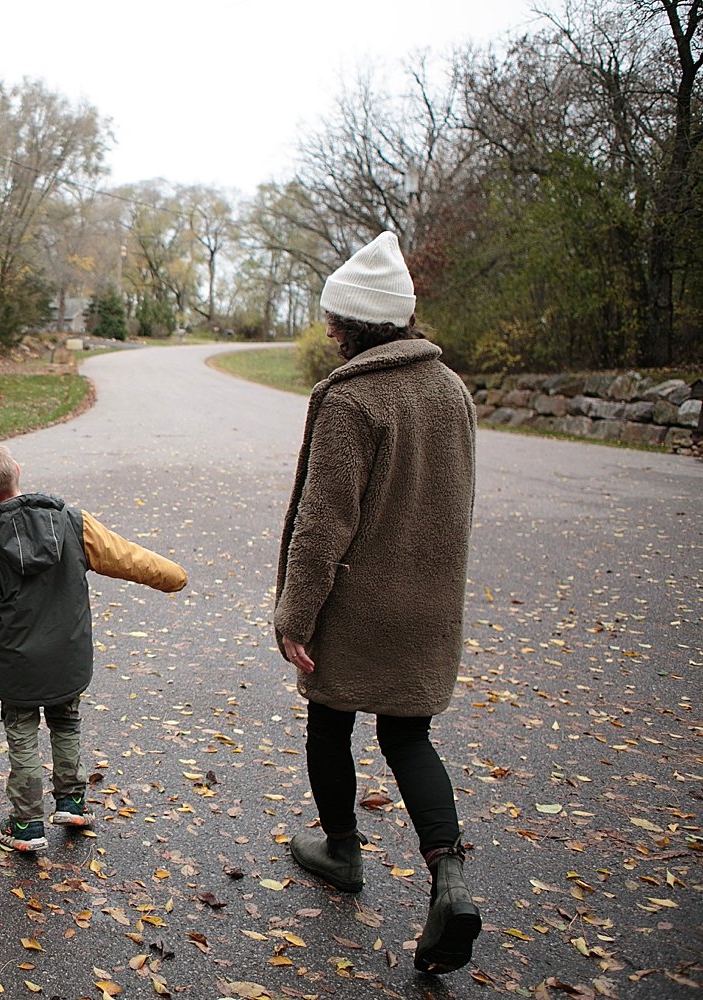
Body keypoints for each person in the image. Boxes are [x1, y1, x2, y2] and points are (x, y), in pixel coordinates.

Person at [274, 231, 481, 974]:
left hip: (358, 604)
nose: (327, 328)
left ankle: (340, 850)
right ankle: (449, 877)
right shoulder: (451, 390)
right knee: (407, 738)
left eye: (334, 317)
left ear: (352, 323)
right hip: (428, 604)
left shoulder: (352, 397)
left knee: (329, 722)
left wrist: (295, 615)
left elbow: (322, 522)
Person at [0, 441, 188, 851]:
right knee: (66, 722)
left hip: (17, 667)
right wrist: (174, 576)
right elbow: (128, 557)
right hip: (68, 658)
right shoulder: (73, 523)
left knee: (22, 735)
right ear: (17, 471)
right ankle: (72, 801)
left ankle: (26, 825)